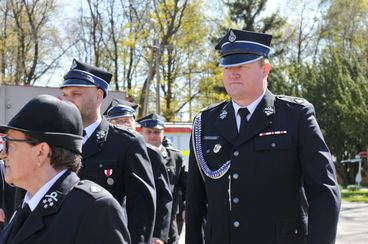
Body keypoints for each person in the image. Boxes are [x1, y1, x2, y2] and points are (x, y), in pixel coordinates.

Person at [185, 29, 341, 244]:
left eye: (242, 65)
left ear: (264, 68)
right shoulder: (206, 122)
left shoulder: (295, 116)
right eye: (227, 67)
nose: (233, 73)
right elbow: (195, 202)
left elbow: (324, 192)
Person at [0, 94, 130, 244]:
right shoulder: (27, 204)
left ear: (41, 152)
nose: (3, 154)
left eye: (9, 143)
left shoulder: (94, 208)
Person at [60, 59, 156, 244]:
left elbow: (142, 207)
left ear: (98, 95)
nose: (68, 100)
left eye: (75, 94)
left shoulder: (125, 143)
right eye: (65, 94)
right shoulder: (55, 140)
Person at [105, 100, 173, 244]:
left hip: (139, 231)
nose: (122, 125)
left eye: (126, 121)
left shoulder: (152, 155)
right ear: (108, 124)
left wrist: (158, 234)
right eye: (117, 121)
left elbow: (162, 196)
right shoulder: (102, 151)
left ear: (134, 124)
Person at [137, 114, 187, 244]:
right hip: (140, 221)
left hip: (168, 223)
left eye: (157, 132)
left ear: (163, 133)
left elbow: (187, 187)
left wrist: (188, 207)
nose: (153, 135)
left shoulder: (175, 157)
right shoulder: (134, 155)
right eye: (148, 132)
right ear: (141, 133)